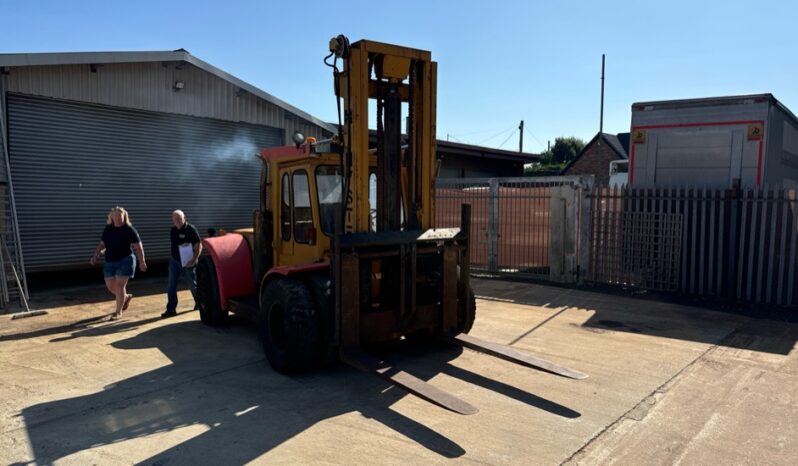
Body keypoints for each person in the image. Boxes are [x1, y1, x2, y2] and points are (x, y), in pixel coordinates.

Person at [90, 206, 147, 320]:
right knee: (111, 286)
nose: (117, 217)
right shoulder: (108, 229)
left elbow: (138, 246)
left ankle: (118, 312)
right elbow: (102, 244)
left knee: (119, 285)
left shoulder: (129, 229)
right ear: (112, 217)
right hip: (109, 260)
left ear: (124, 216)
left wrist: (142, 261)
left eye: (120, 215)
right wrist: (95, 255)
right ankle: (125, 298)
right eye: (115, 215)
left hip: (126, 260)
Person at [163, 209, 203, 318]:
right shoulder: (173, 230)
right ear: (172, 220)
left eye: (179, 218)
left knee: (192, 285)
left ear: (184, 217)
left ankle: (200, 302)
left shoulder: (191, 229)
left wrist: (194, 259)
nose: (178, 221)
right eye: (175, 219)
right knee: (171, 285)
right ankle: (171, 309)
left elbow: (199, 245)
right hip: (174, 261)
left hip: (188, 261)